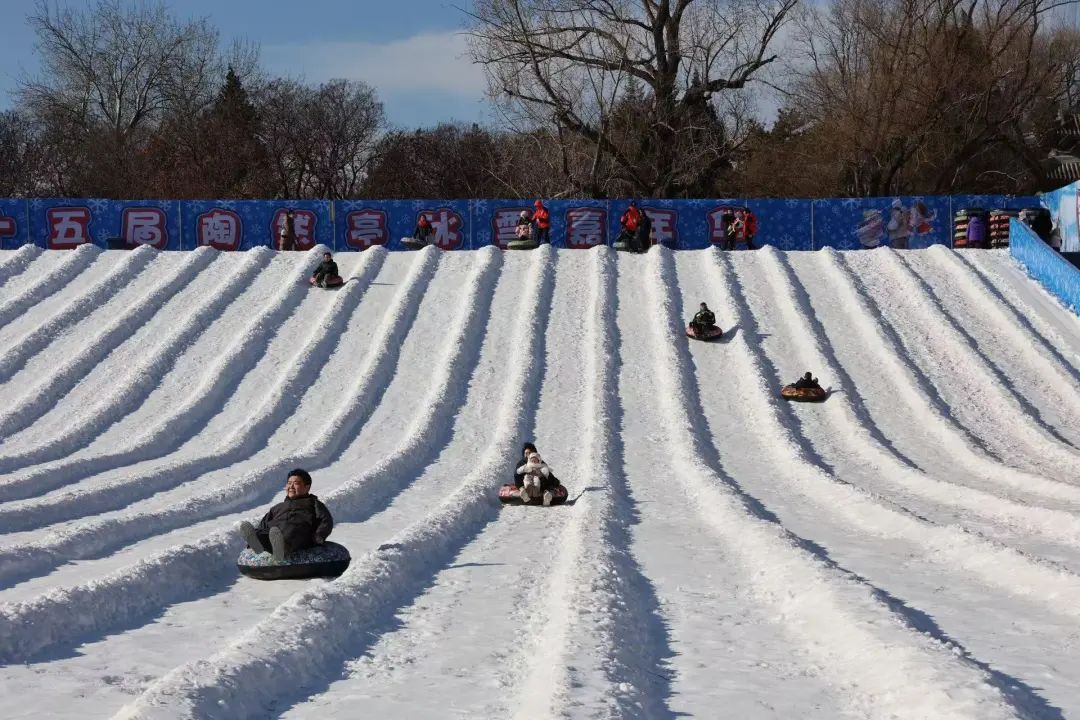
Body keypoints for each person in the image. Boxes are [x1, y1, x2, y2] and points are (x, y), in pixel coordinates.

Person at [239, 469, 333, 563]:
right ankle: (258, 545)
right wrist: (257, 534)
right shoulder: (277, 507)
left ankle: (282, 550)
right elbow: (264, 523)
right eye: (289, 483)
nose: (291, 486)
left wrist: (317, 538)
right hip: (275, 535)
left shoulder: (313, 504)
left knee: (291, 529)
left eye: (296, 483)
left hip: (298, 535)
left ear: (307, 487)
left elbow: (325, 521)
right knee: (263, 532)